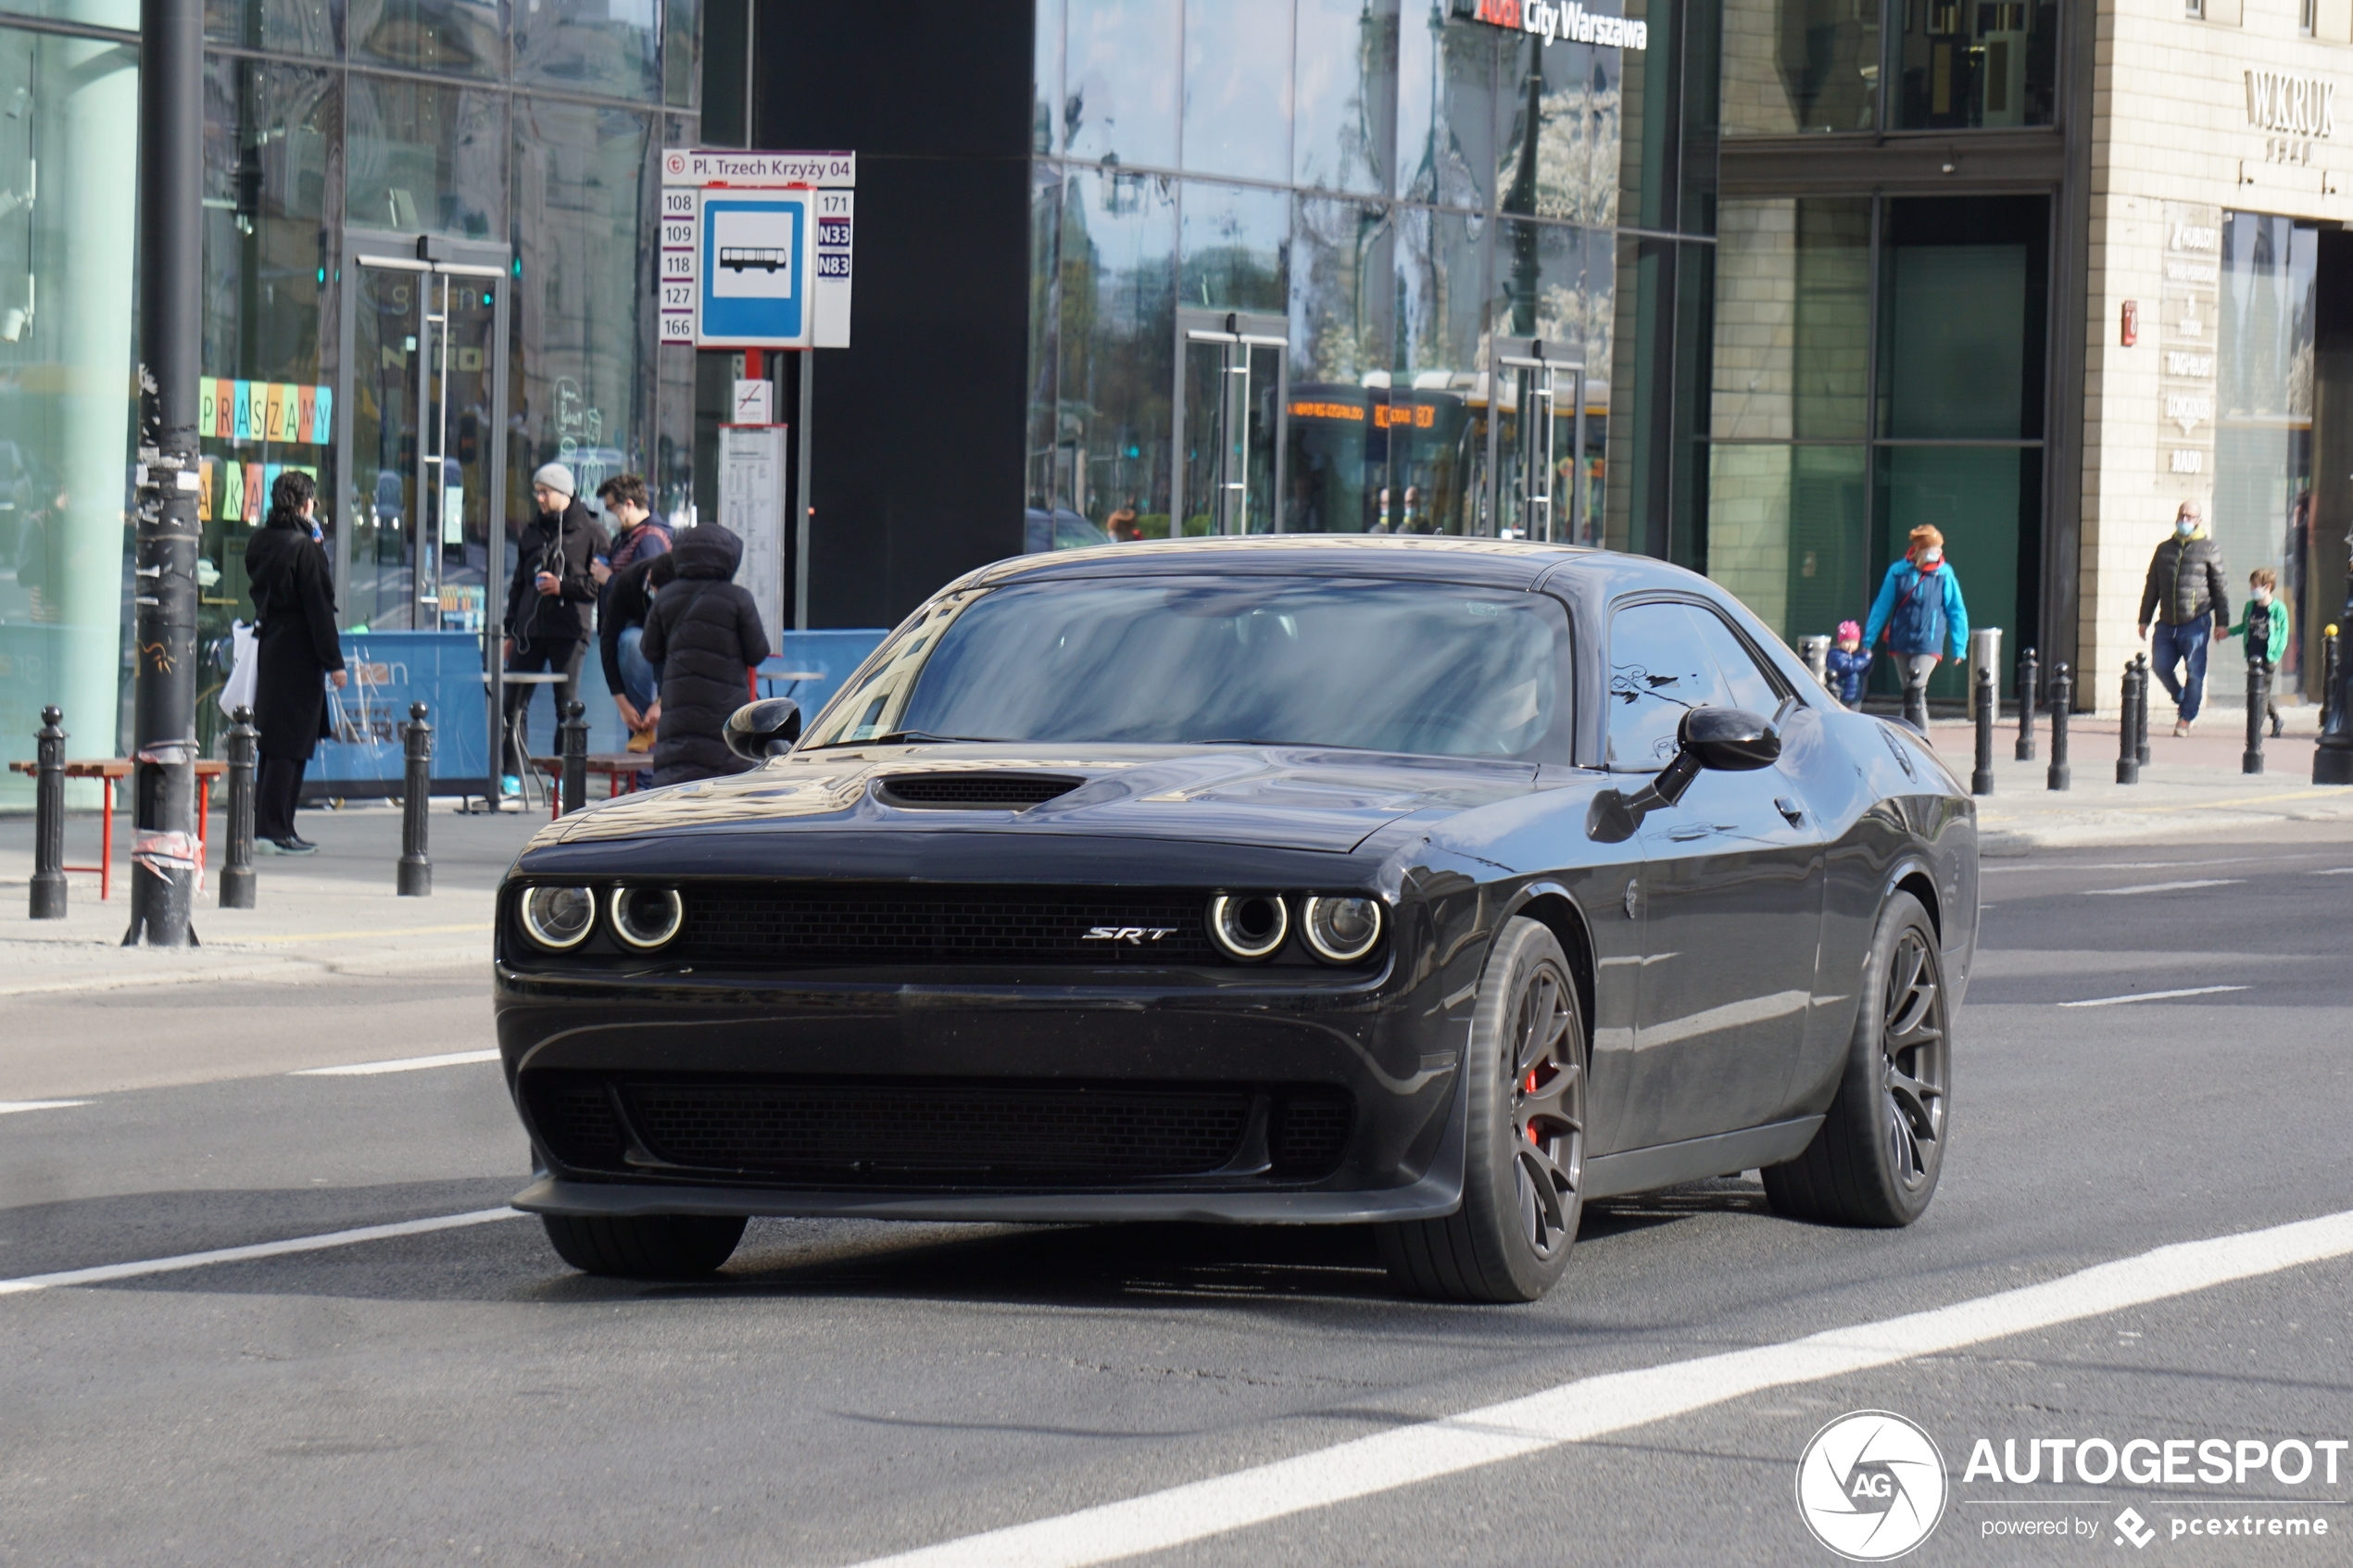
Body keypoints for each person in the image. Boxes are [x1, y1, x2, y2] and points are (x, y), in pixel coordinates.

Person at [243, 470, 347, 854]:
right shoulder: (304, 548)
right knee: (292, 743)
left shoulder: (261, 540)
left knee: (272, 742)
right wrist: (334, 661)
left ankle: (269, 825)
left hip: (271, 646)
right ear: (306, 503)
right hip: (300, 653)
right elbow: (319, 608)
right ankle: (276, 828)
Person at [638, 522, 771, 787]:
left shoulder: (665, 597)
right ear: (730, 558)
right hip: (725, 716)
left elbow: (649, 649)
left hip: (679, 715)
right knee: (725, 793)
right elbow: (757, 653)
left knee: (676, 788)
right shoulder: (739, 599)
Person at [501, 462, 608, 788]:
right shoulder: (532, 531)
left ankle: (561, 776)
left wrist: (563, 587)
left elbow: (600, 584)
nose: (540, 499)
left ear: (564, 493)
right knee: (514, 705)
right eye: (537, 492)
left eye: (545, 492)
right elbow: (518, 584)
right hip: (529, 631)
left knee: (568, 707)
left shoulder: (592, 533)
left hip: (569, 630)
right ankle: (511, 774)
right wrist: (510, 630)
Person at [1862, 524, 1969, 734]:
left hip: (1928, 641)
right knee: (1909, 692)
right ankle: (1909, 738)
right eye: (1933, 549)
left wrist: (1959, 646)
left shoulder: (1944, 575)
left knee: (1916, 688)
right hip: (1901, 638)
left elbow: (1956, 610)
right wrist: (1868, 640)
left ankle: (1919, 739)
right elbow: (1882, 606)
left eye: (1939, 549)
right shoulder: (1898, 571)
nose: (1938, 553)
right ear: (1920, 550)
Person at [2137, 499, 2231, 737]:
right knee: (2160, 665)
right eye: (2182, 515)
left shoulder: (2209, 548)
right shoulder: (2164, 549)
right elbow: (2152, 586)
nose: (2185, 520)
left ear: (2199, 520)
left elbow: (2220, 587)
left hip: (2195, 621)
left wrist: (2222, 622)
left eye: (2190, 516)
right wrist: (2144, 618)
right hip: (2167, 621)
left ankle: (2186, 718)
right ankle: (2181, 697)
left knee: (2195, 671)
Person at [600, 549, 674, 756]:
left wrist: (662, 702)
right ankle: (644, 731)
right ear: (650, 582)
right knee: (631, 641)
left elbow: (687, 652)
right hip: (642, 645)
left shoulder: (685, 591)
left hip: (675, 657)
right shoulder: (629, 581)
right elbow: (608, 642)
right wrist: (621, 702)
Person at [2228, 567, 2292, 739]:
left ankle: (2255, 728)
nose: (2252, 589)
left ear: (2267, 587)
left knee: (2261, 694)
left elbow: (2283, 635)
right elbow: (2244, 626)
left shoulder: (2279, 609)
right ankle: (2276, 719)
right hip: (2253, 655)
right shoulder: (2250, 606)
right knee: (2255, 692)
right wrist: (2228, 632)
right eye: (2251, 586)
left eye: (2255, 585)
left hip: (2268, 657)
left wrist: (2276, 656)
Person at [592, 471, 672, 588]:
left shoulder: (650, 539)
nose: (608, 514)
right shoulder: (627, 535)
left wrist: (609, 579)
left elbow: (646, 591)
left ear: (629, 504)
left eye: (610, 508)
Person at [1826, 620, 1872, 709]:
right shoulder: (1835, 655)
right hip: (1842, 697)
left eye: (1854, 642)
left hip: (1855, 697)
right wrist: (1864, 659)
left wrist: (1869, 660)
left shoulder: (1856, 656)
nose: (1851, 645)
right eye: (1847, 642)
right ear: (1840, 642)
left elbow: (1863, 672)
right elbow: (1847, 667)